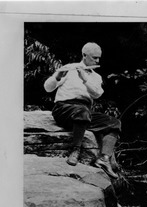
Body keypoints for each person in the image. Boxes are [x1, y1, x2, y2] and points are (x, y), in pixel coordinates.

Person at [44, 42, 121, 179]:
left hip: (83, 112)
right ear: (84, 55)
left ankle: (104, 158)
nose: (97, 61)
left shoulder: (96, 77)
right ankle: (75, 150)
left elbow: (97, 94)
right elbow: (48, 88)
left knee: (114, 122)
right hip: (63, 109)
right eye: (94, 58)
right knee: (82, 112)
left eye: (98, 58)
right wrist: (57, 76)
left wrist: (85, 79)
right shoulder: (69, 68)